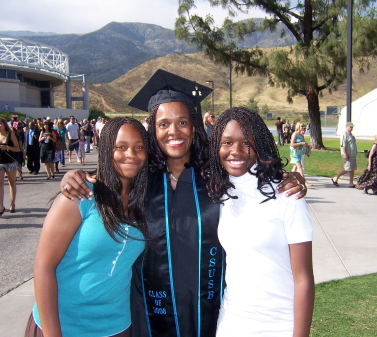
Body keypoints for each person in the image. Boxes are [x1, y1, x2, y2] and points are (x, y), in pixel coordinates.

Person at [58, 69, 307, 337]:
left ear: (195, 126)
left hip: (211, 312)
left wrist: (289, 177)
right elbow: (109, 177)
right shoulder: (142, 177)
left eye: (182, 122)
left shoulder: (216, 175)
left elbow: (252, 174)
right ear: (152, 129)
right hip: (150, 313)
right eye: (163, 124)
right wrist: (76, 175)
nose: (173, 131)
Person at [24, 117, 149, 337]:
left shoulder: (144, 202)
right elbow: (43, 267)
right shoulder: (80, 196)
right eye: (120, 147)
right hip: (64, 326)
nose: (131, 154)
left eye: (139, 147)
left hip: (116, 327)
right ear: (105, 149)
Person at [208, 107, 314, 337]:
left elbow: (304, 278)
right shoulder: (220, 192)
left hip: (279, 325)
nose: (235, 151)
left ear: (259, 145)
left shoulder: (287, 194)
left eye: (246, 142)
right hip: (232, 322)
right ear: (216, 146)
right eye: (227, 142)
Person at [0, 117, 20, 215]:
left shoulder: (11, 134)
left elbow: (17, 148)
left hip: (9, 162)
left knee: (12, 182)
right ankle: (1, 206)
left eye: (0, 123)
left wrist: (7, 147)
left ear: (4, 125)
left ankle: (12, 203)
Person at [331, 122, 357, 188]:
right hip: (347, 154)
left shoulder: (351, 134)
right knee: (347, 168)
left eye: (352, 127)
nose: (351, 128)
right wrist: (345, 154)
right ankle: (336, 178)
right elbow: (343, 145)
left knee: (352, 168)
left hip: (352, 154)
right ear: (346, 126)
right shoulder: (344, 134)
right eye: (350, 127)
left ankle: (351, 182)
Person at [290, 122, 313, 187]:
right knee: (300, 167)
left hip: (300, 153)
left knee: (295, 167)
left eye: (304, 126)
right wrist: (301, 143)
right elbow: (292, 144)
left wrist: (306, 145)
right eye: (301, 126)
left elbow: (303, 144)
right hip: (295, 153)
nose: (303, 127)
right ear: (298, 127)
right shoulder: (295, 134)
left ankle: (289, 179)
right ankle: (304, 182)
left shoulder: (301, 135)